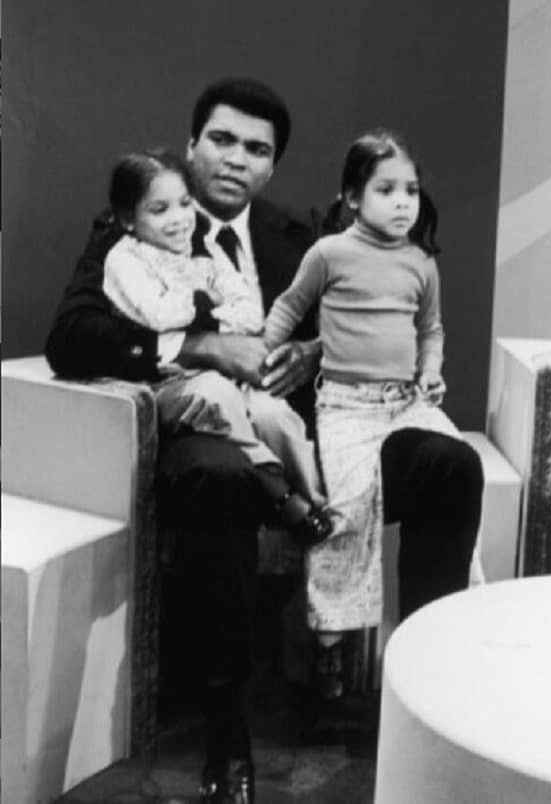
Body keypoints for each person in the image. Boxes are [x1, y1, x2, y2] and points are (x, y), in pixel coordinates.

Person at [45, 79, 483, 804]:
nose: (235, 158)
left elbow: (351, 317)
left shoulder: (301, 237)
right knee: (222, 478)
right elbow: (72, 336)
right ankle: (227, 734)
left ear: (272, 165)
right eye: (221, 140)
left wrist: (312, 352)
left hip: (319, 426)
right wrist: (204, 346)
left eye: (256, 149)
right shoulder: (135, 226)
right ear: (191, 146)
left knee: (449, 463)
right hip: (204, 430)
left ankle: (422, 703)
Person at [264, 128, 483, 699]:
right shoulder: (329, 253)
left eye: (411, 190)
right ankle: (331, 639)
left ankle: (438, 641)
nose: (403, 202)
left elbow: (431, 329)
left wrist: (431, 369)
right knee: (347, 505)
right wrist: (257, 355)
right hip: (345, 407)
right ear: (352, 197)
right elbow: (289, 306)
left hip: (405, 403)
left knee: (462, 467)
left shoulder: (421, 262)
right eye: (386, 190)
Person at [103, 148, 330, 547]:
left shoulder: (203, 247)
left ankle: (317, 503)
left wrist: (204, 313)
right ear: (128, 219)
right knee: (218, 397)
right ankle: (278, 493)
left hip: (222, 372)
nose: (179, 219)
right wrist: (207, 302)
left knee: (274, 413)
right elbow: (158, 314)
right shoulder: (124, 260)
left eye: (185, 203)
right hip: (167, 382)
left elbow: (250, 313)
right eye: (159, 210)